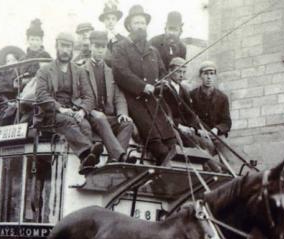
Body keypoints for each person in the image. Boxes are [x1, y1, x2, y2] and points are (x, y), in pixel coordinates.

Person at [112, 4, 178, 166]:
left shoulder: (153, 50)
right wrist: (142, 86)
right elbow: (121, 73)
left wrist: (163, 82)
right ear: (129, 26)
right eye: (136, 23)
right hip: (134, 101)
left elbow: (162, 72)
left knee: (170, 138)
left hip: (154, 100)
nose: (140, 26)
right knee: (154, 139)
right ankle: (163, 169)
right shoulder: (120, 48)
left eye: (142, 23)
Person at [35, 32, 103, 172]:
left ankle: (86, 164)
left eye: (69, 47)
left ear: (72, 49)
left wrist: (83, 111)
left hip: (73, 110)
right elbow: (41, 95)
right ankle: (88, 152)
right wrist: (60, 108)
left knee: (85, 125)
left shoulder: (79, 71)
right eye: (63, 46)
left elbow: (89, 96)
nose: (65, 51)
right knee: (67, 121)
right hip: (51, 113)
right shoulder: (45, 70)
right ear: (56, 46)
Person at [162, 57, 223, 172]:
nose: (181, 75)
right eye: (179, 71)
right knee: (196, 145)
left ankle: (212, 168)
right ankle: (216, 169)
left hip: (186, 128)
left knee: (206, 142)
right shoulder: (164, 88)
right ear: (170, 71)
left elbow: (190, 114)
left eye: (184, 72)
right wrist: (180, 126)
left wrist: (198, 129)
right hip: (173, 128)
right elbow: (164, 113)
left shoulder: (183, 90)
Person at [82, 30, 134, 163]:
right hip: (90, 115)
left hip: (108, 116)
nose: (100, 50)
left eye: (103, 47)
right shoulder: (81, 70)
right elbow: (77, 96)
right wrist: (90, 111)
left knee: (127, 123)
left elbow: (119, 96)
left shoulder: (110, 72)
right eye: (97, 46)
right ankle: (120, 156)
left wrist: (122, 113)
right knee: (100, 118)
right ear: (91, 46)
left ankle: (112, 161)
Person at [189, 61, 241, 168]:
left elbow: (226, 122)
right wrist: (197, 130)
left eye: (212, 73)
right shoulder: (192, 95)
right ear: (200, 76)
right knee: (205, 158)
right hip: (199, 134)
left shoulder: (222, 97)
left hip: (217, 135)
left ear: (215, 76)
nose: (209, 77)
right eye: (206, 73)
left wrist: (216, 130)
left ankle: (229, 178)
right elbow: (190, 116)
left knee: (227, 158)